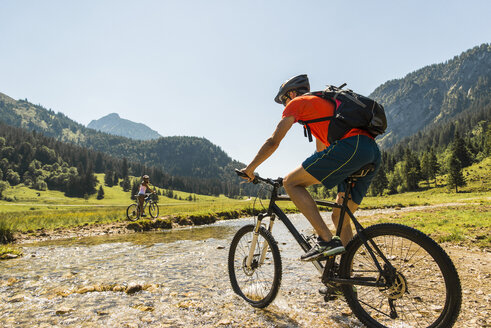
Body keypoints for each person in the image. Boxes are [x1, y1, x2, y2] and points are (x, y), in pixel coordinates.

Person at [240, 74, 381, 263]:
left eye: (283, 100)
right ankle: (346, 279)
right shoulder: (323, 107)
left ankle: (326, 240)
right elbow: (320, 154)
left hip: (351, 147)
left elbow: (273, 142)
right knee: (340, 217)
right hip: (370, 151)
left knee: (290, 183)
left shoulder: (298, 103)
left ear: (291, 93)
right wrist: (305, 175)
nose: (284, 105)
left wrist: (250, 169)